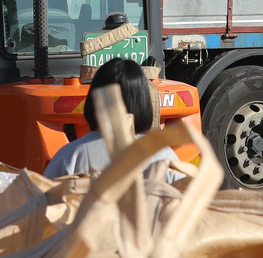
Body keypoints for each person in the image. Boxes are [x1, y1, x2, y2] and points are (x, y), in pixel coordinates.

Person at [43, 57, 178, 177]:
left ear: (94, 99)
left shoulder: (70, 156)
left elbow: (45, 201)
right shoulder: (164, 156)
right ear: (143, 102)